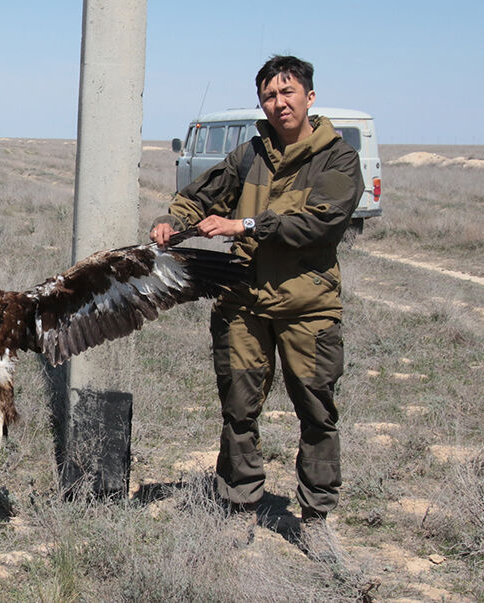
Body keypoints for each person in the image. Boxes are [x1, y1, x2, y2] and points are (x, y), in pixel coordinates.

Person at [150, 55, 363, 562]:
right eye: (269, 96)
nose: (279, 103)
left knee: (316, 412)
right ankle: (240, 506)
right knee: (239, 409)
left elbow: (318, 224)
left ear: (309, 97)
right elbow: (200, 196)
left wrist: (241, 226)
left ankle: (314, 519)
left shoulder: (337, 158)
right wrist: (171, 218)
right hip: (242, 303)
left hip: (307, 307)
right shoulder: (250, 154)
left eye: (288, 93)